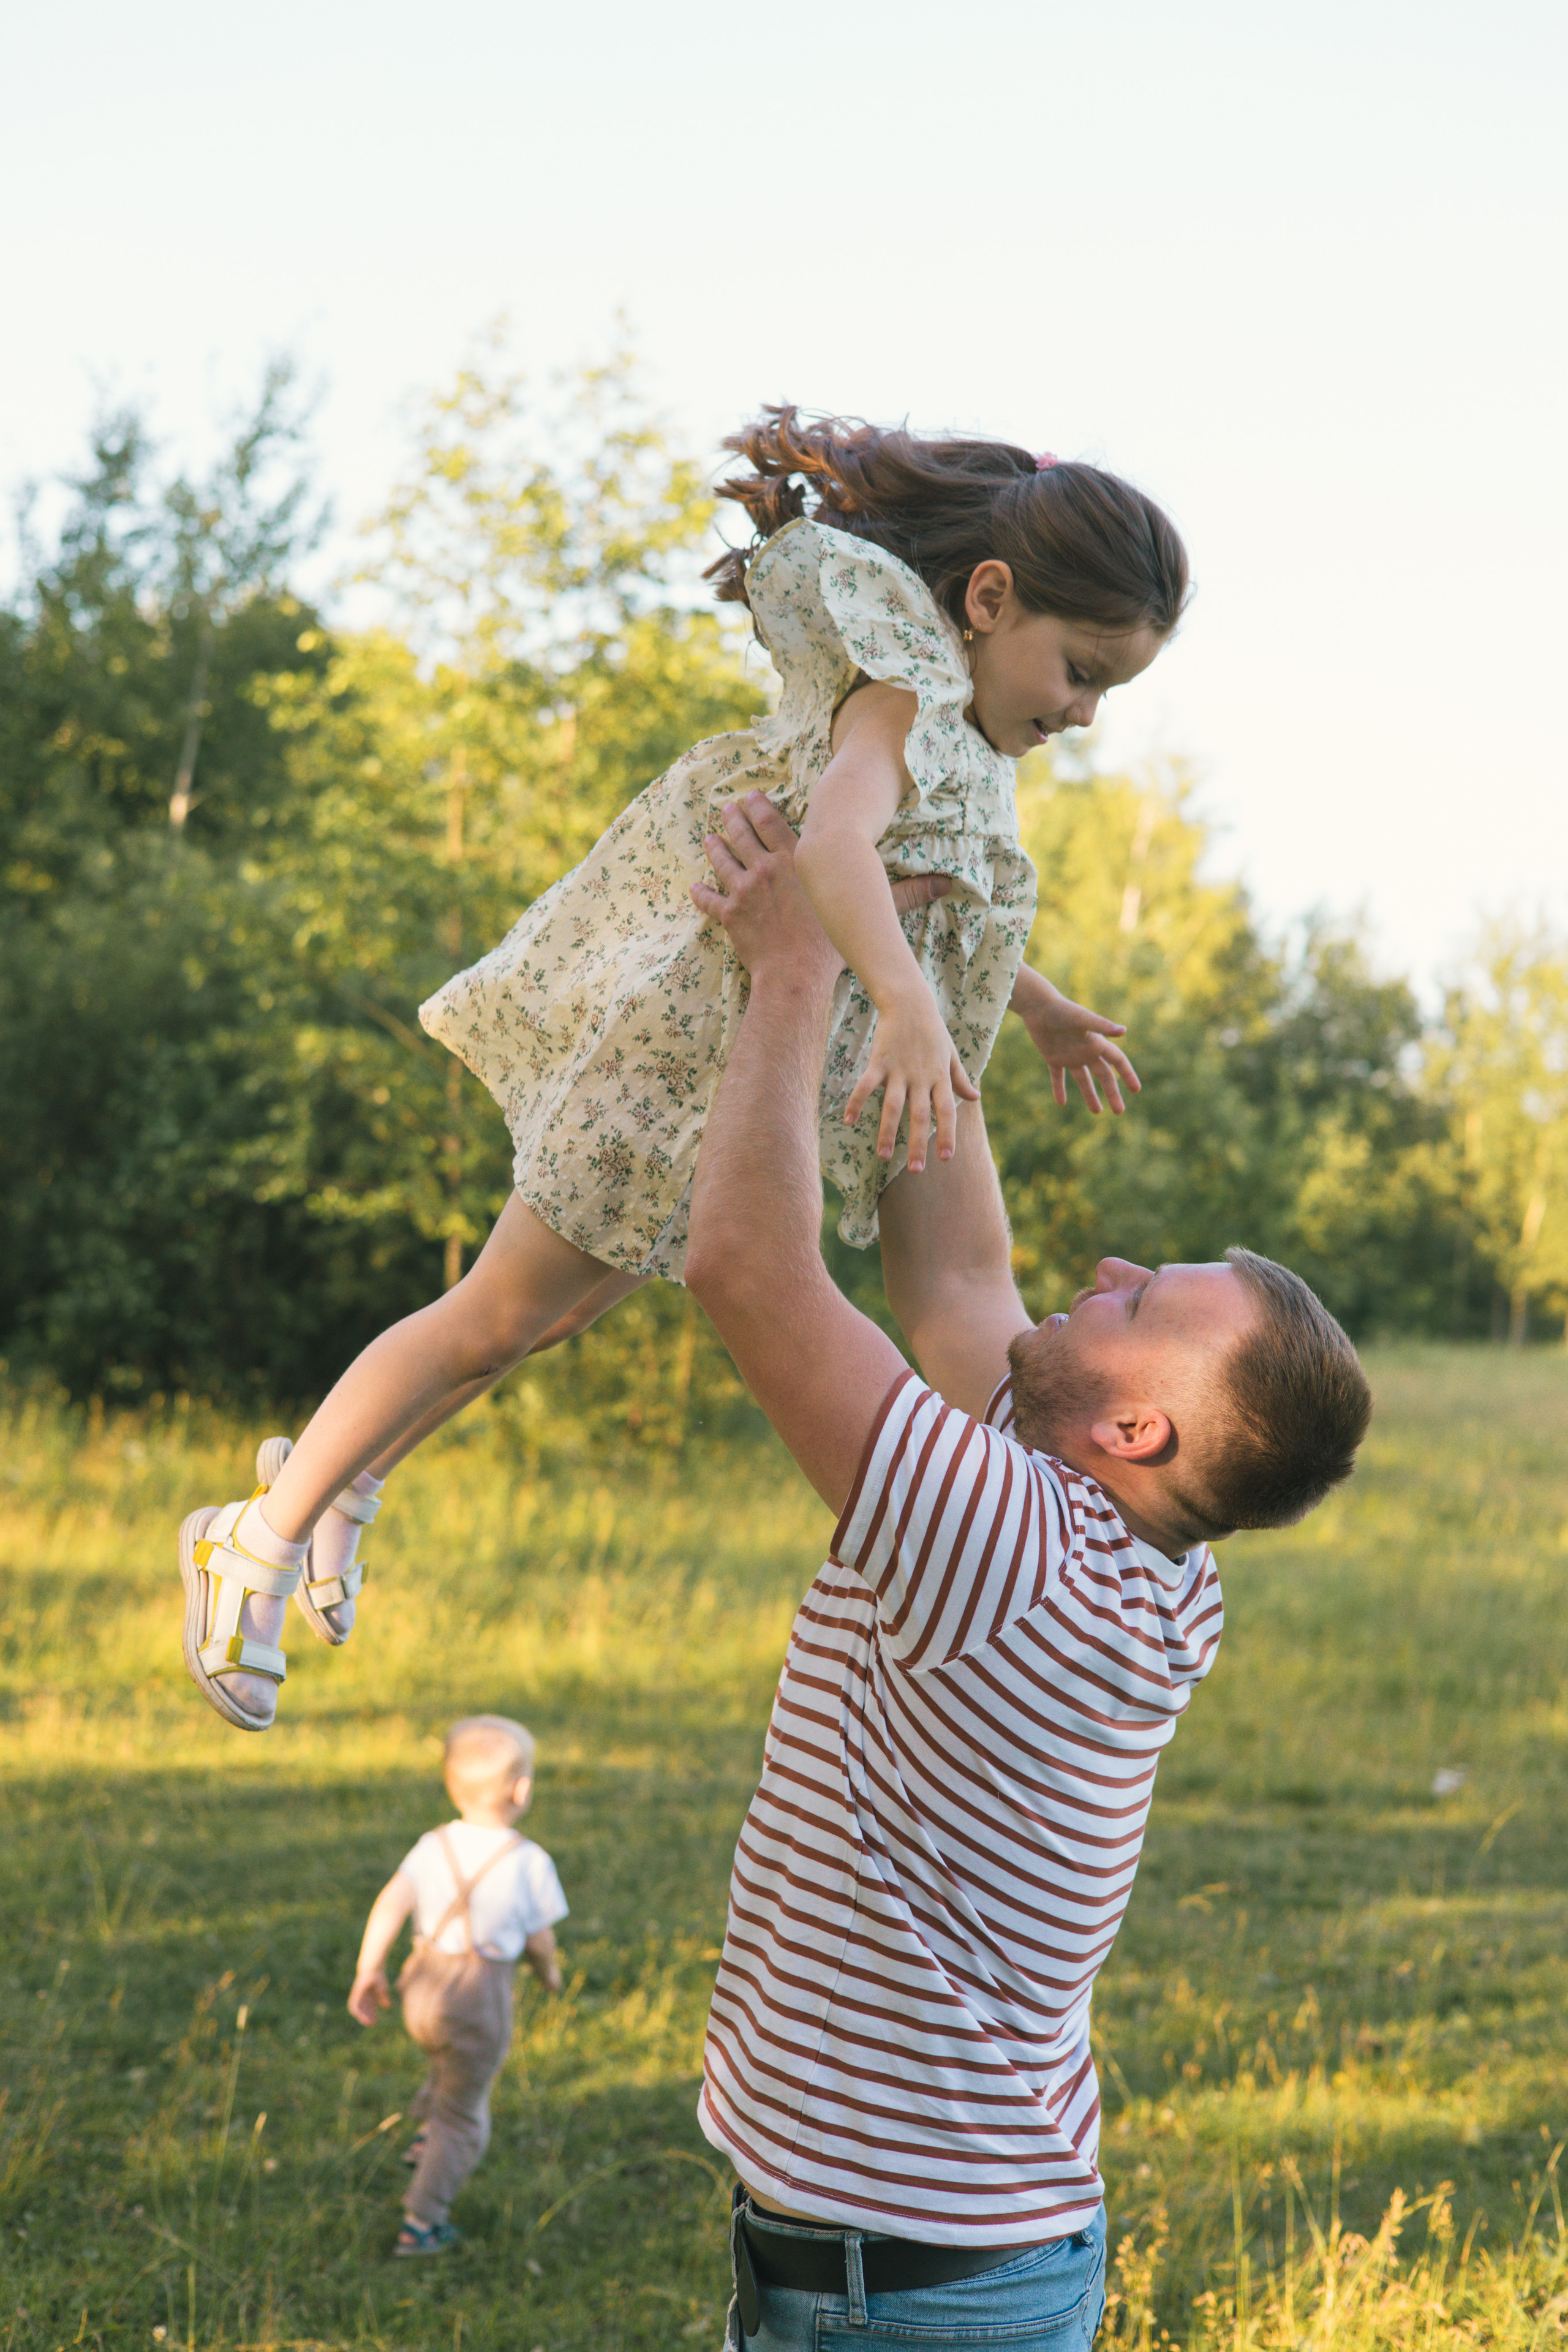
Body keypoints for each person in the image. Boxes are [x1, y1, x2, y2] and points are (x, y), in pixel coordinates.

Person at [176, 406, 1188, 1730]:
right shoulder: (904, 696)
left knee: (544, 1319)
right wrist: (900, 1005)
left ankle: (334, 1477)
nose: (1087, 712)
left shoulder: (974, 744)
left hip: (726, 1086)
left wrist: (1034, 1004)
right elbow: (833, 857)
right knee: (493, 1312)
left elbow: (923, 900)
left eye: (1112, 687)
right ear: (989, 599)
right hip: (682, 1052)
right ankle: (246, 1539)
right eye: (1080, 670)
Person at [677, 796, 1372, 2350]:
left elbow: (744, 1263)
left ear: (1137, 1422)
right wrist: (910, 956)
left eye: (1145, 1298)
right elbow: (954, 1275)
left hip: (900, 2300)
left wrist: (794, 968)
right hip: (925, 2257)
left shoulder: (1012, 1551)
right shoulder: (1129, 1546)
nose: (1111, 1267)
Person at [345, 1714, 567, 2258]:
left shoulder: (432, 1844)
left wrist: (368, 1968)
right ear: (522, 1788)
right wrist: (551, 1975)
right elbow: (539, 1943)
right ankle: (423, 2221)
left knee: (445, 2057)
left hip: (422, 1989)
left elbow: (392, 1901)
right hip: (477, 1996)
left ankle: (427, 2133)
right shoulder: (528, 1861)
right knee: (467, 2119)